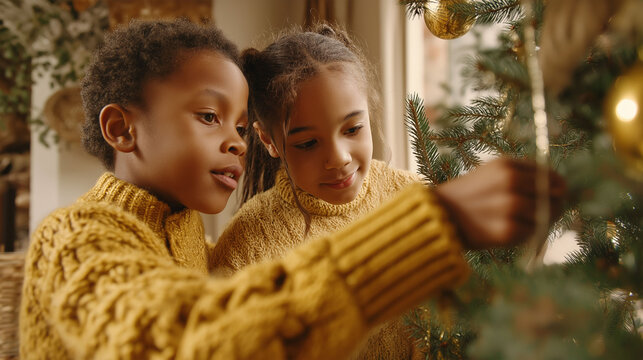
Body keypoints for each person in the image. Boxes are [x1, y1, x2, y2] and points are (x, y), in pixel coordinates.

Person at [20, 19, 565, 360]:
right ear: (122, 129)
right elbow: (189, 341)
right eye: (210, 116)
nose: (237, 145)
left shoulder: (184, 231)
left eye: (238, 127)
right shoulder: (74, 238)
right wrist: (432, 226)